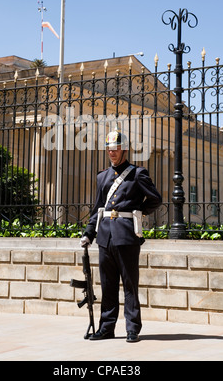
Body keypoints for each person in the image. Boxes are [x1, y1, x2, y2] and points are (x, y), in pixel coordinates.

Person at [80, 129, 162, 342]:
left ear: (124, 149)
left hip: (126, 234)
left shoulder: (137, 173)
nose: (112, 152)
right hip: (105, 236)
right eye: (109, 148)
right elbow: (98, 207)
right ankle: (106, 328)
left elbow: (155, 199)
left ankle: (132, 329)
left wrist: (138, 212)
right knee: (107, 285)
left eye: (115, 149)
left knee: (129, 284)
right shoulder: (103, 176)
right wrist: (89, 233)